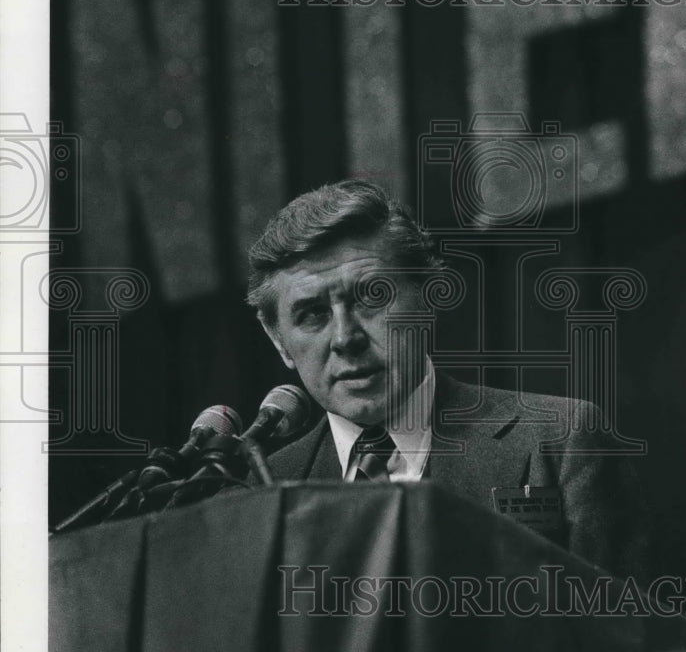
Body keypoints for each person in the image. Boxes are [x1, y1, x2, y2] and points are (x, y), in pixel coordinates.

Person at [247, 179, 647, 580]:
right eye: (313, 314)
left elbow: (632, 633)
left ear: (428, 297)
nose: (345, 338)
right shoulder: (260, 490)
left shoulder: (560, 442)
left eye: (371, 296)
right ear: (278, 339)